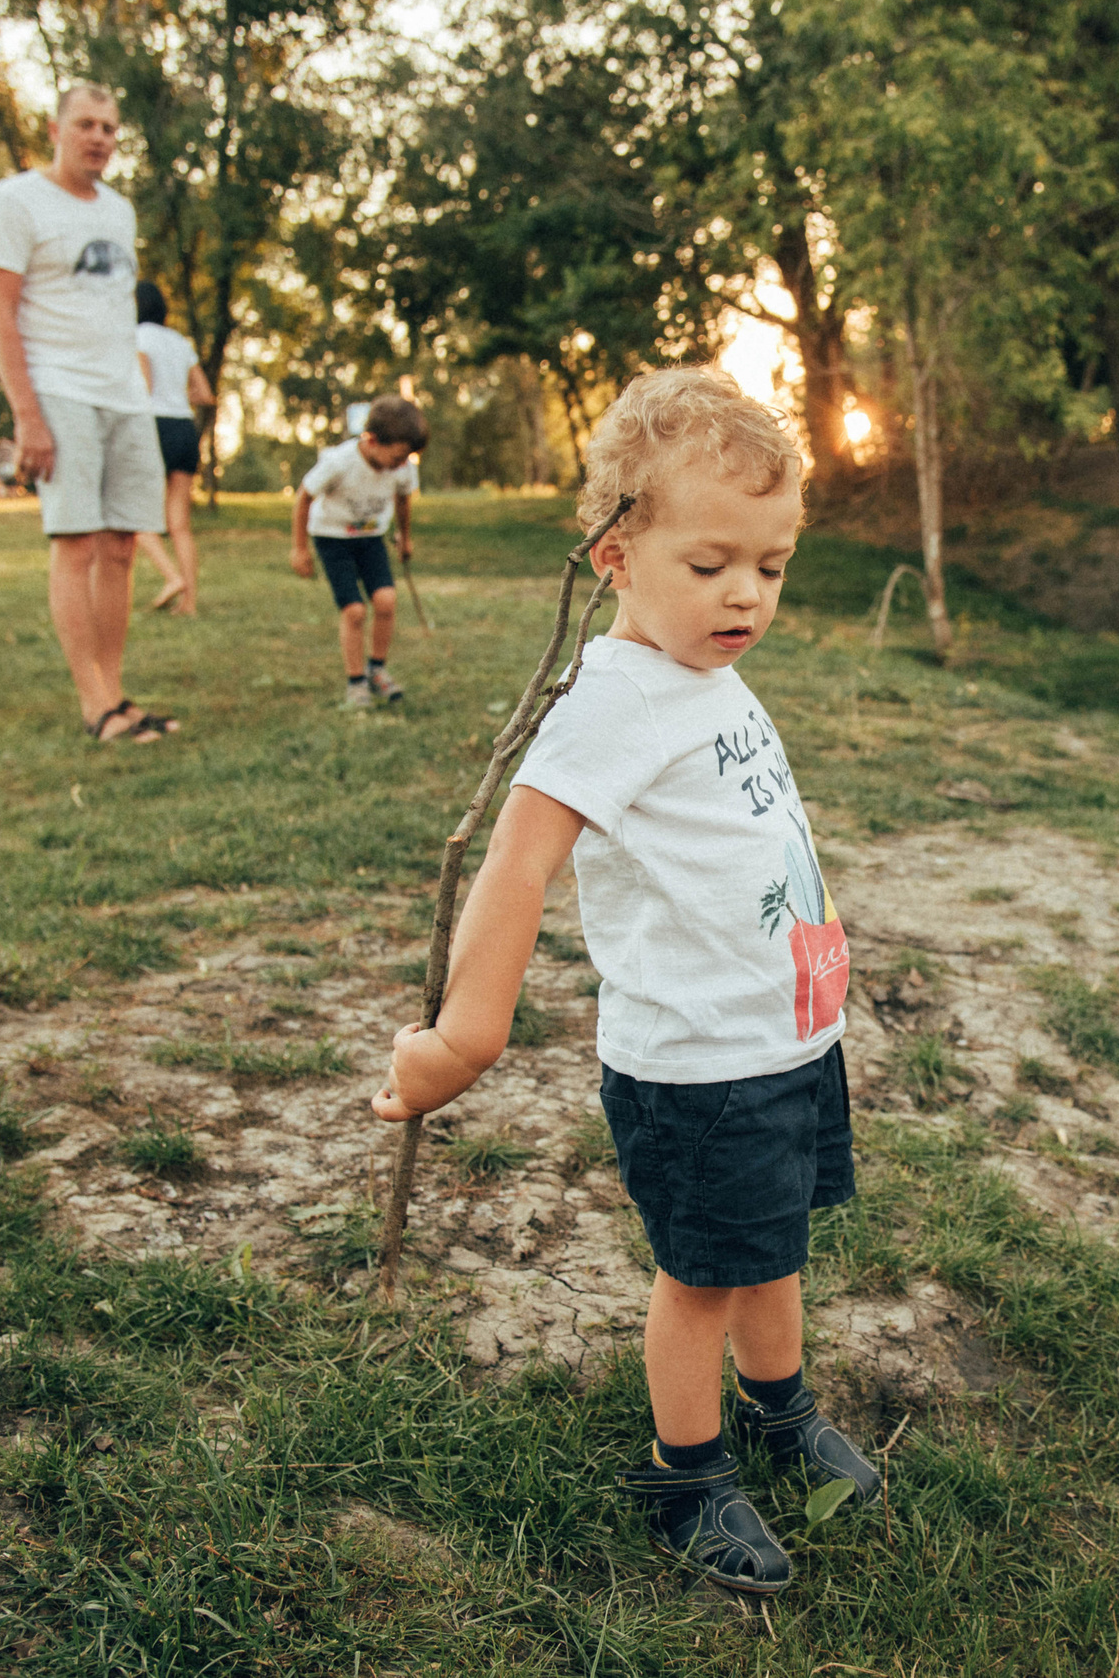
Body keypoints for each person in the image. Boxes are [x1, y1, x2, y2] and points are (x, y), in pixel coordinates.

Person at [370, 366, 875, 1596]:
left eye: (772, 564)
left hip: (783, 1040)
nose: (746, 594)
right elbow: (517, 860)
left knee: (773, 1247)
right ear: (613, 552)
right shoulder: (612, 700)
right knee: (701, 1276)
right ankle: (685, 1469)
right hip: (699, 1068)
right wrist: (465, 1034)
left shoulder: (703, 669)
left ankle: (779, 1406)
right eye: (710, 566)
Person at [0, 81, 177, 745]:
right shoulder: (14, 202)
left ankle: (117, 693)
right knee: (78, 543)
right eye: (86, 125)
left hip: (124, 395)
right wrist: (27, 415)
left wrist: (137, 390)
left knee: (121, 546)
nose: (99, 138)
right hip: (59, 390)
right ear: (56, 129)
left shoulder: (118, 212)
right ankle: (95, 705)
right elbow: (0, 314)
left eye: (110, 129)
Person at [290, 394, 426, 709]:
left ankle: (376, 669)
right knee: (354, 611)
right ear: (372, 440)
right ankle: (356, 683)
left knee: (386, 600)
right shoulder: (339, 462)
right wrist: (299, 549)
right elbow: (303, 497)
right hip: (332, 538)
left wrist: (404, 537)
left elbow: (404, 499)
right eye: (398, 457)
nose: (402, 465)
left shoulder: (403, 467)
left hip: (371, 539)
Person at [134, 279, 214, 614]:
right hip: (183, 428)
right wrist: (183, 395)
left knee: (135, 516)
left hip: (152, 425)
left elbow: (143, 387)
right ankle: (190, 603)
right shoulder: (180, 343)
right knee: (179, 523)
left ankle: (171, 578)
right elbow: (205, 395)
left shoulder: (136, 337)